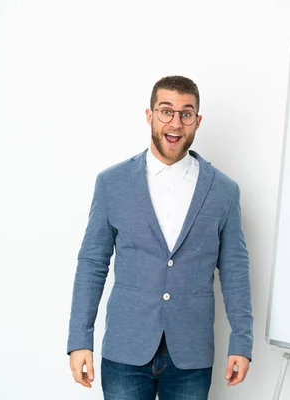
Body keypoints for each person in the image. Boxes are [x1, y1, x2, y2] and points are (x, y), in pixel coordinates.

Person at [67, 75, 253, 400]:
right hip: (126, 347)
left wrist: (242, 340)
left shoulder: (224, 191)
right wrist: (79, 338)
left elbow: (235, 270)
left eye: (186, 113)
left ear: (197, 121)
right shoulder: (113, 183)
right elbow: (92, 264)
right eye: (166, 111)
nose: (176, 122)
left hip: (191, 354)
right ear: (150, 115)